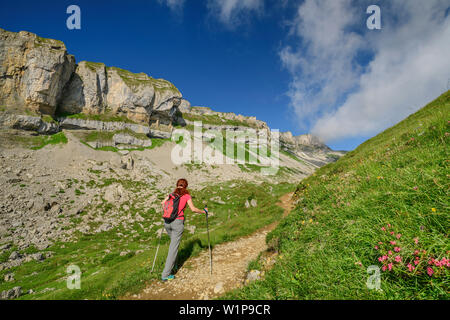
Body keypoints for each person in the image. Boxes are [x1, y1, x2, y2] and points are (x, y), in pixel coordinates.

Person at [160, 178, 207, 281]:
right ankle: (165, 275)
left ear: (177, 185)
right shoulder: (186, 196)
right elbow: (193, 209)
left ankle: (174, 265)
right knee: (173, 248)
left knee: (173, 245)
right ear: (185, 186)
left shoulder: (171, 194)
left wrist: (167, 212)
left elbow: (162, 203)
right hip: (177, 223)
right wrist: (204, 212)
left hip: (167, 222)